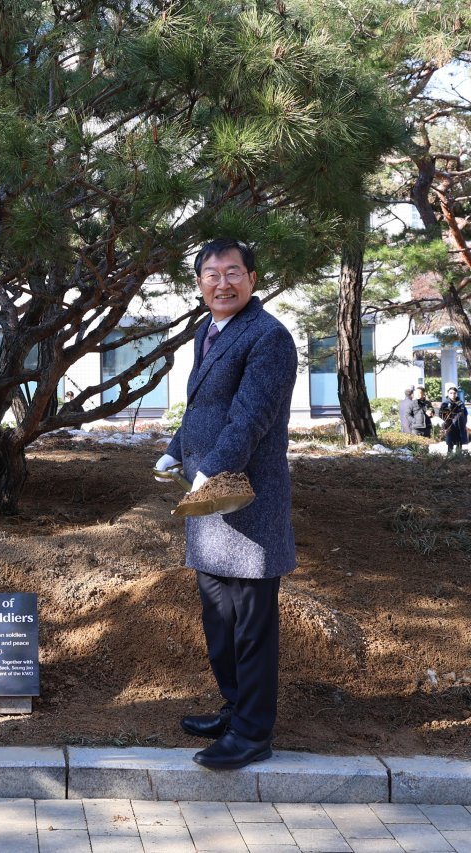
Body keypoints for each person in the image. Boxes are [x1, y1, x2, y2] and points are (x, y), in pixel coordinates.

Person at [154, 238, 297, 770]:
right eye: (211, 274)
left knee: (251, 625)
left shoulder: (269, 337)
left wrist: (210, 466)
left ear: (253, 279)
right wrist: (175, 451)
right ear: (200, 283)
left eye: (233, 272)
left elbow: (250, 418)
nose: (222, 283)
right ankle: (235, 708)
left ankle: (253, 733)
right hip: (207, 500)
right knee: (219, 619)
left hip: (248, 502)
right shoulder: (207, 331)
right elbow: (202, 407)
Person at [438, 384, 468, 455]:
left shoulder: (461, 403)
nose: (453, 395)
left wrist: (464, 422)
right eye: (451, 393)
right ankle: (449, 462)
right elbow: (441, 415)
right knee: (450, 446)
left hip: (460, 427)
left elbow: (465, 414)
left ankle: (459, 461)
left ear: (456, 394)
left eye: (454, 393)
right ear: (448, 394)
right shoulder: (445, 404)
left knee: (459, 446)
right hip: (450, 427)